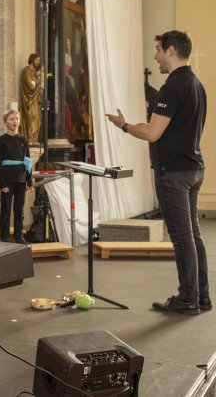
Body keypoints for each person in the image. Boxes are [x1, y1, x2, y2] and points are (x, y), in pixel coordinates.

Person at [106, 30, 210, 314]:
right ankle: (201, 296)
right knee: (193, 235)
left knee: (182, 237)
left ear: (171, 50)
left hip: (173, 172)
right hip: (193, 168)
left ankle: (187, 299)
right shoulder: (196, 84)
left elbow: (153, 133)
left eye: (158, 50)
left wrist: (124, 126)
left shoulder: (173, 86)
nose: (156, 56)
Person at [0, 110, 32, 244]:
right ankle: (4, 237)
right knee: (6, 209)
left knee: (19, 210)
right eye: (11, 119)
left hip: (21, 178)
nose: (15, 121)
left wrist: (29, 180)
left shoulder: (23, 139)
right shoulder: (0, 141)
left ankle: (19, 236)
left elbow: (28, 161)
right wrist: (2, 183)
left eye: (17, 118)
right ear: (5, 122)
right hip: (7, 179)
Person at [20, 53, 42, 144]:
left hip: (35, 99)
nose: (38, 62)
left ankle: (34, 139)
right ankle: (30, 140)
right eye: (37, 60)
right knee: (31, 117)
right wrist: (37, 81)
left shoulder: (35, 72)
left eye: (39, 61)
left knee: (36, 118)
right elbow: (30, 84)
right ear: (32, 60)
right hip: (28, 100)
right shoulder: (26, 70)